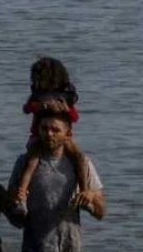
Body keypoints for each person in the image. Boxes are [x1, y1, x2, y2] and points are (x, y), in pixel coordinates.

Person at [5, 102, 106, 252]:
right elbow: (13, 218)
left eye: (56, 130)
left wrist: (90, 199)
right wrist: (16, 204)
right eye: (44, 129)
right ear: (37, 130)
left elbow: (101, 213)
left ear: (68, 133)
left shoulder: (81, 163)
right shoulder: (24, 162)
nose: (49, 134)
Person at [15, 57, 90, 203]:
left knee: (80, 157)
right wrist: (41, 106)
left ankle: (84, 191)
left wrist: (66, 110)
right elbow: (26, 108)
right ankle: (22, 192)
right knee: (32, 161)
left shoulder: (64, 97)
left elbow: (74, 117)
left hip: (64, 138)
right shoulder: (37, 98)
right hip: (38, 136)